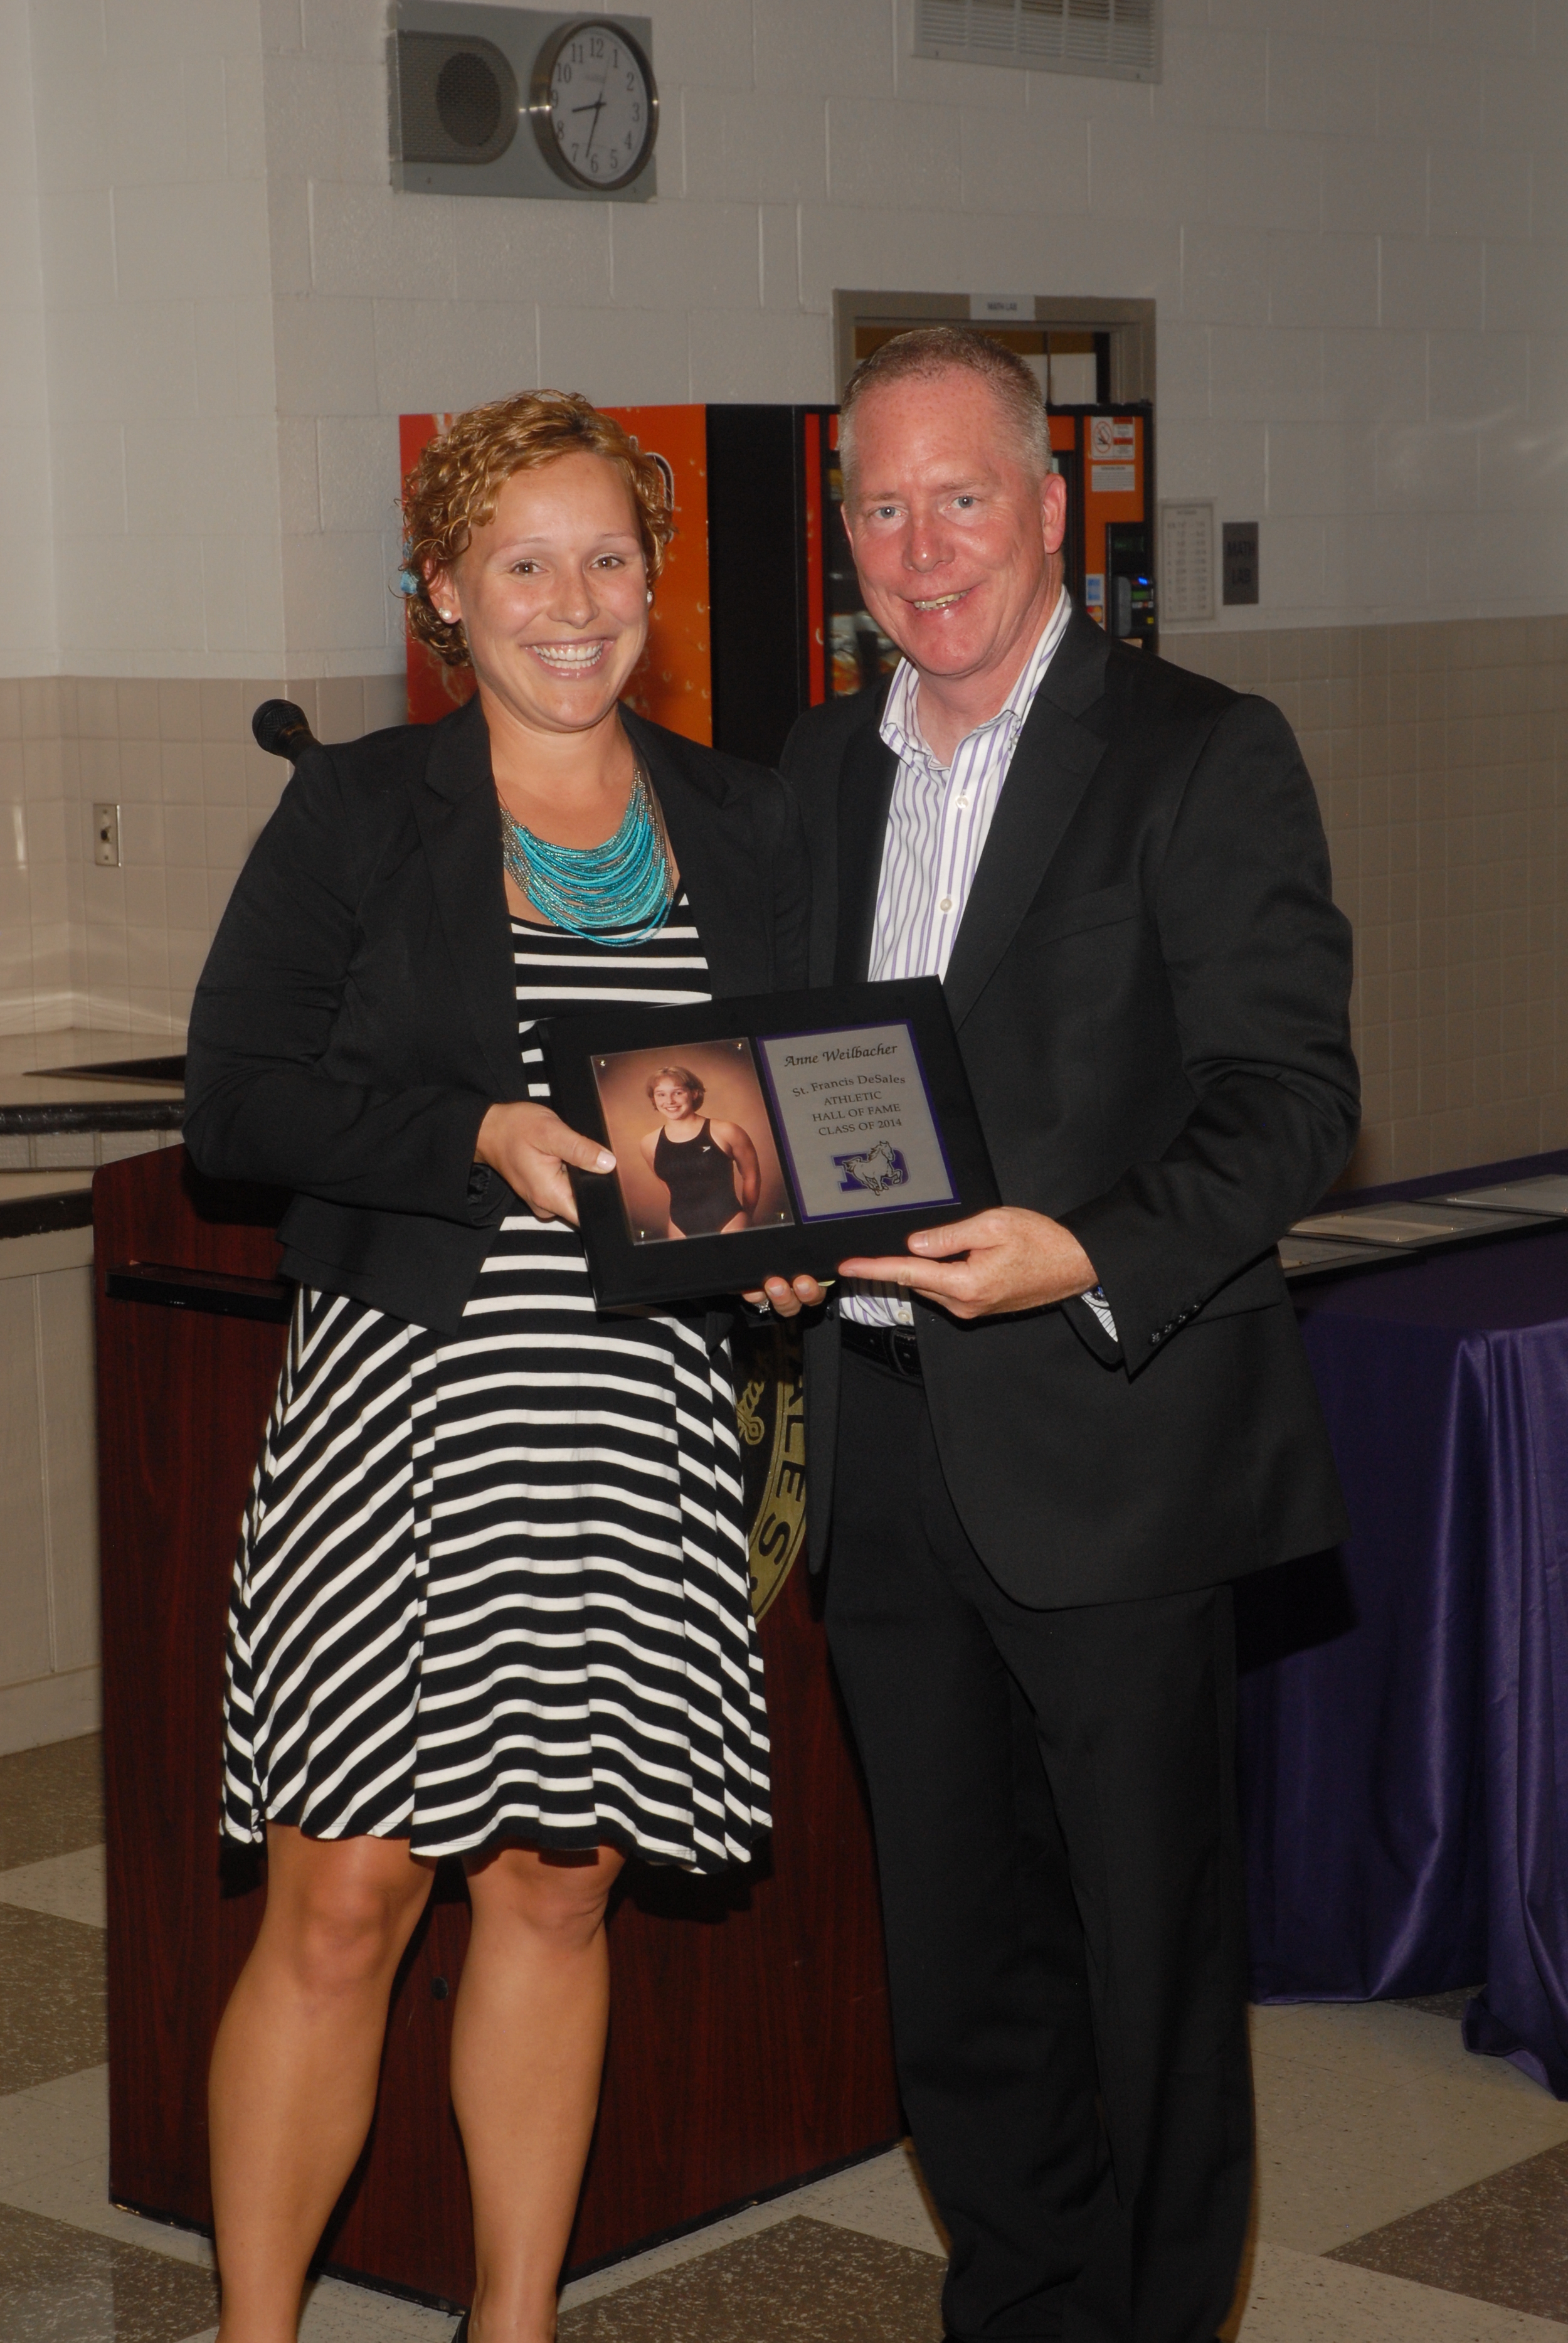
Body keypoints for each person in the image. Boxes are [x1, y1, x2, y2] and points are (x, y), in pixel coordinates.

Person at [183, 389, 810, 2343]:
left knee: (556, 1889)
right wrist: (470, 1135)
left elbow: (786, 1099)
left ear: (654, 579)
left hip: (631, 1428)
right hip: (410, 1416)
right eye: (521, 563)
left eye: (607, 556)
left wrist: (787, 1246)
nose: (571, 600)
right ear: (440, 592)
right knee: (345, 1901)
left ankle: (511, 2325)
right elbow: (239, 1104)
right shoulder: (362, 815)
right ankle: (262, 2331)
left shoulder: (742, 815)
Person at [760, 329, 1359, 2343]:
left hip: (1107, 1437)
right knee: (956, 1957)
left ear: (1045, 506)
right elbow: (790, 1074)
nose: (917, 546)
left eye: (956, 497)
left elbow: (1280, 1096)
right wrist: (754, 1229)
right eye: (876, 505)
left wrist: (1079, 1255)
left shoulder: (1200, 751)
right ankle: (1016, 2308)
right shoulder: (819, 769)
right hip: (884, 1444)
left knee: (1143, 1963)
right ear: (841, 530)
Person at [639, 1064, 760, 1236]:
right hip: (679, 1227)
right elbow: (670, 1186)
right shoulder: (648, 1143)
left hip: (731, 1222)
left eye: (678, 1093)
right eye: (661, 1094)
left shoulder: (727, 1131)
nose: (670, 1101)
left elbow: (752, 1176)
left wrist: (748, 1217)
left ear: (694, 1093)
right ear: (654, 1099)